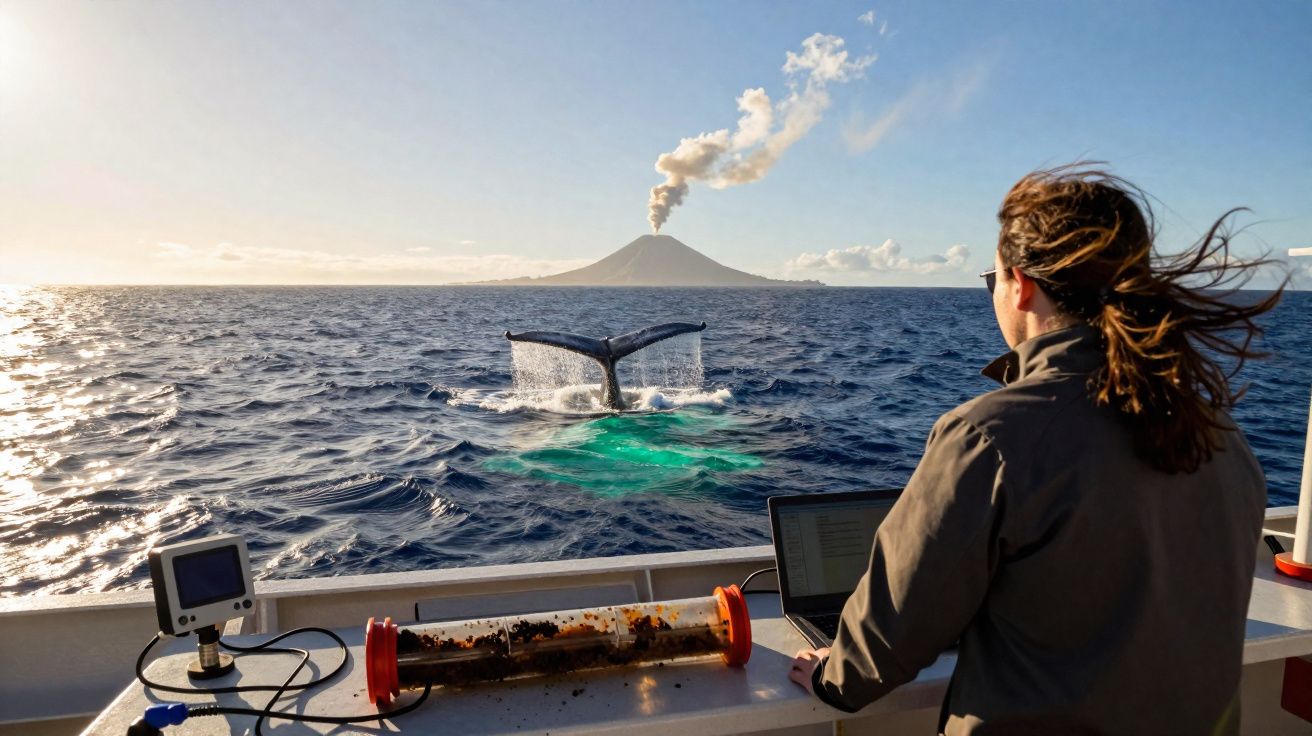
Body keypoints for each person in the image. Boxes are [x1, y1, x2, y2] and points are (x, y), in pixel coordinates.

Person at [788, 164, 1285, 734]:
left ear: (1020, 284)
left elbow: (893, 630)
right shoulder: (1220, 432)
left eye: (992, 278)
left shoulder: (989, 436)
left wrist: (834, 676)